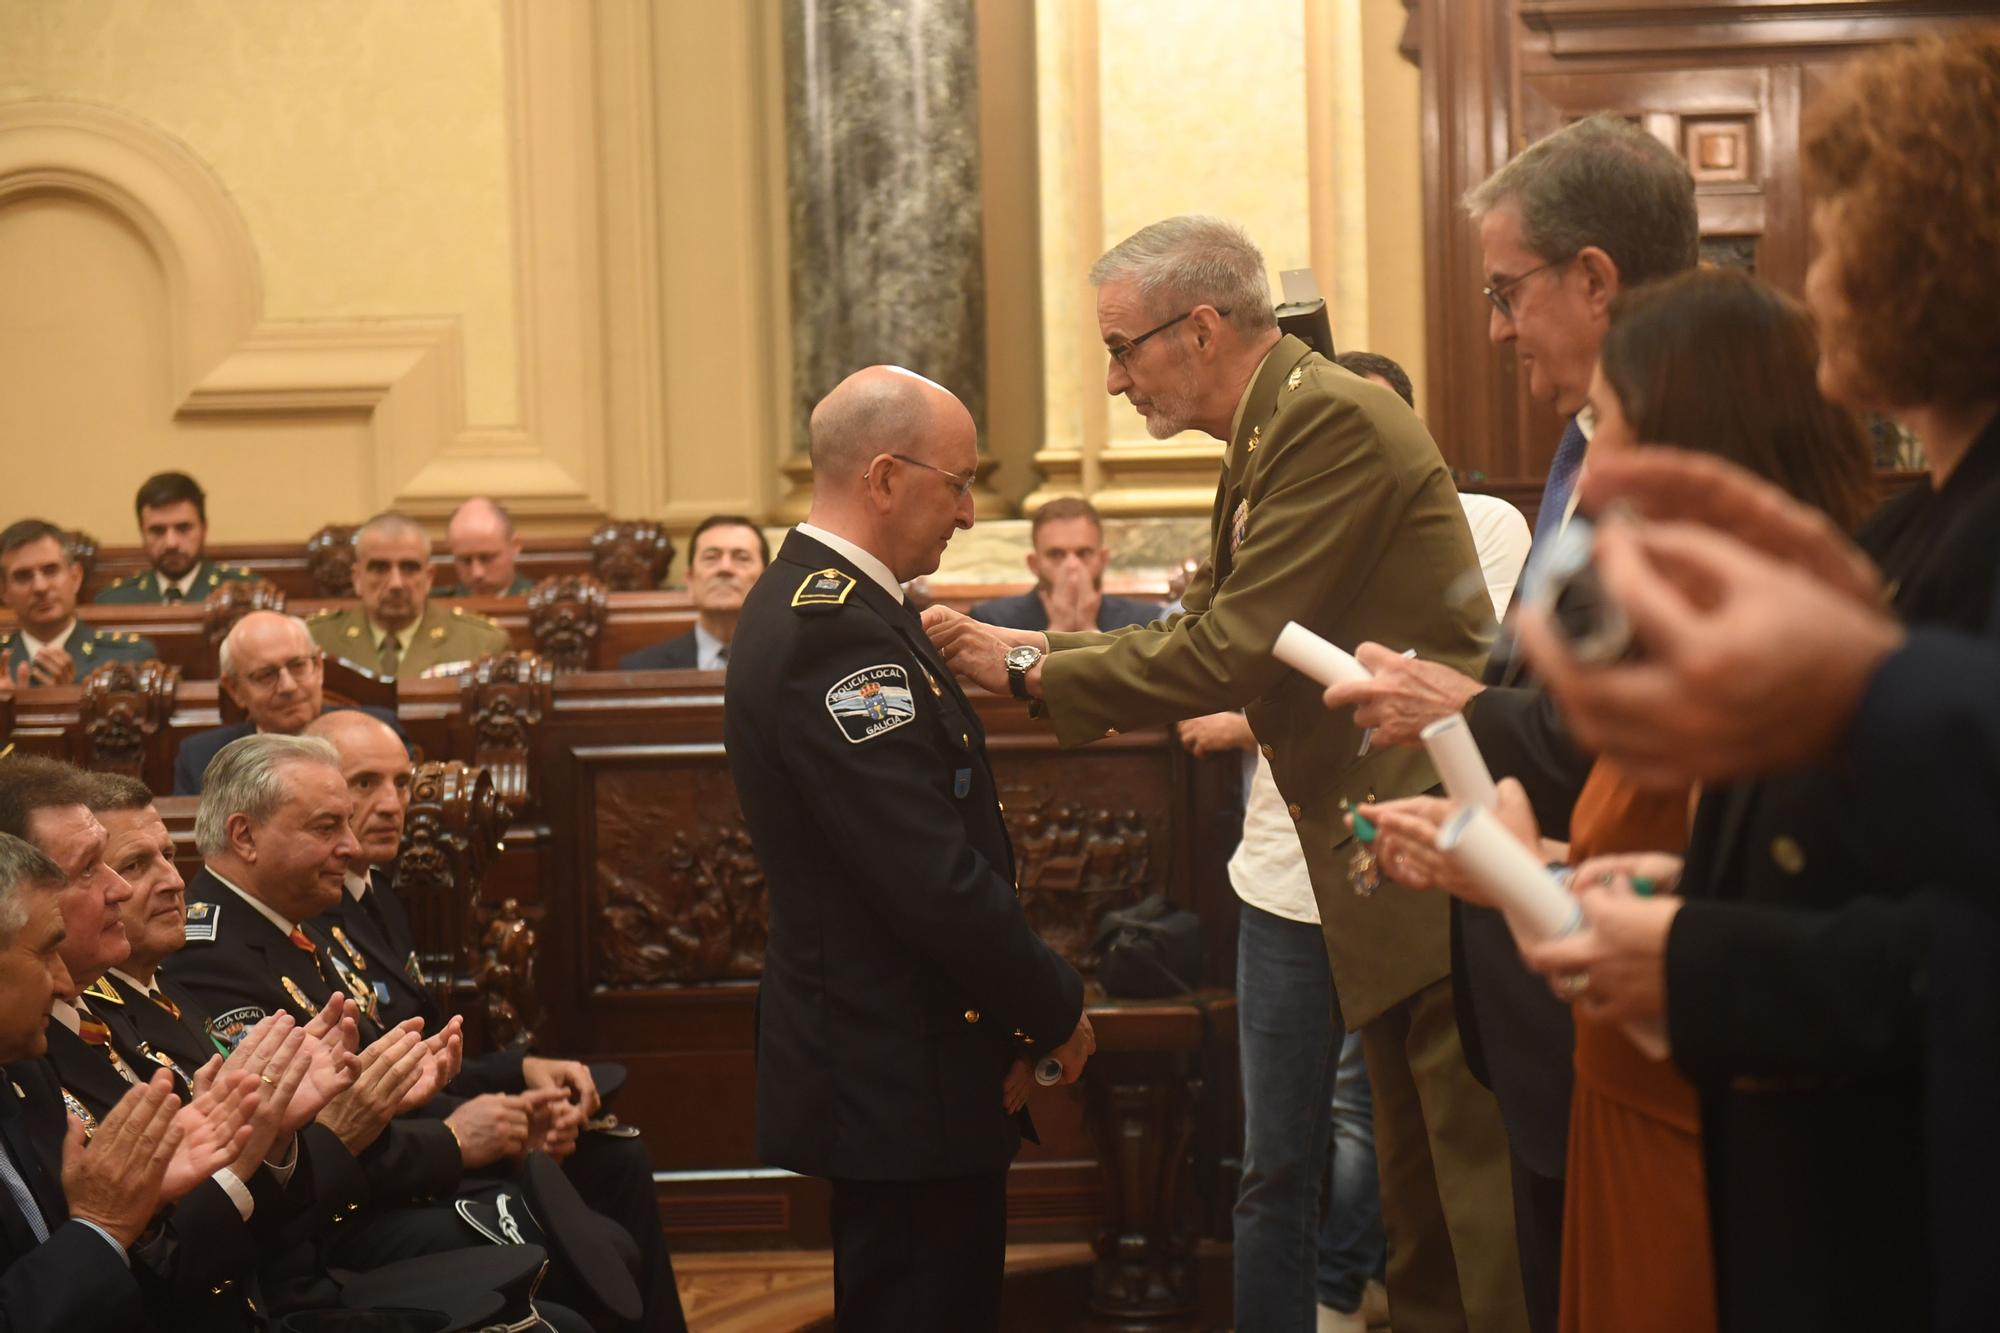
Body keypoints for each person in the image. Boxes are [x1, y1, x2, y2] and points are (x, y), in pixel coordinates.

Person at [926, 217, 1526, 1333]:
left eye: (1121, 349)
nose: (1112, 382)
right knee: (1421, 1215)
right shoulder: (1275, 426)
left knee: (1468, 1216)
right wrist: (1027, 655)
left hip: (1439, 853)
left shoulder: (1329, 422)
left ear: (1198, 329)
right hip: (1386, 854)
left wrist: (1022, 667)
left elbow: (1227, 650)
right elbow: (1214, 624)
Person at [1509, 31, 2000, 1330]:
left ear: (1937, 253)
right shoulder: (1907, 535)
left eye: (1839, 238)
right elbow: (1874, 856)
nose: (1818, 283)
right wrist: (1686, 891)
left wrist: (1699, 953)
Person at [1362, 267, 1875, 1333]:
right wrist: (1511, 861)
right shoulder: (1692, 631)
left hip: (1691, 1129)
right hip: (1617, 1105)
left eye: (1617, 433)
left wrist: (1512, 869)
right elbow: (1675, 886)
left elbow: (1769, 945)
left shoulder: (1788, 653)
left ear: (1704, 446)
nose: (1588, 489)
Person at [1314, 118, 1698, 1329]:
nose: (1492, 326)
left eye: (1505, 290)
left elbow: (1652, 735)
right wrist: (1459, 770)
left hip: (1637, 984)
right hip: (1540, 989)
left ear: (1592, 278)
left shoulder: (1684, 469)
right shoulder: (1578, 450)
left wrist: (1469, 707)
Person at [724, 365, 1092, 1331]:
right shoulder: (835, 633)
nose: (971, 512)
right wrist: (1056, 1005)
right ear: (885, 476)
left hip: (911, 1056)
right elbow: (929, 877)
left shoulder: (854, 607)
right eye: (958, 483)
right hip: (900, 1065)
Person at [303, 707, 690, 1333]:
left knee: (617, 1153)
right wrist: (490, 1128)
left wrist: (523, 1073)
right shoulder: (312, 909)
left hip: (428, 1132)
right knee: (575, 1232)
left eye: (402, 783)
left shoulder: (376, 893)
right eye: (363, 783)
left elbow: (423, 1058)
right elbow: (362, 1099)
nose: (391, 804)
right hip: (376, 1186)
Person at [0, 831, 227, 1331]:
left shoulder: (20, 1070)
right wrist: (102, 1226)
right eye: (43, 956)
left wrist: (143, 1208)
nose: (63, 984)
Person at [172, 610, 406, 795]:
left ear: (318, 666)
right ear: (235, 689)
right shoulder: (202, 760)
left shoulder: (380, 732)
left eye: (297, 666)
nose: (288, 686)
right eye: (266, 675)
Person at [307, 512, 510, 679]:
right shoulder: (318, 640)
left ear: (429, 578)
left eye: (409, 568)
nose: (396, 583)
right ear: (357, 578)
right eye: (380, 568)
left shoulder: (480, 644)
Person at [968, 497, 1164, 633]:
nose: (1072, 566)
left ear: (1103, 559)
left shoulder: (1145, 622)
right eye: (1056, 554)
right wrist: (1057, 633)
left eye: (1083, 553)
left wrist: (1089, 630)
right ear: (1034, 564)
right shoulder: (993, 623)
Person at [0, 519, 158, 686]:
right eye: (23, 576)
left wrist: (70, 695)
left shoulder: (128, 657)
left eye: (50, 570)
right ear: (4, 592)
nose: (40, 587)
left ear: (75, 578)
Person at [618, 514, 769, 669]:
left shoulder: (792, 665)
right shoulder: (642, 669)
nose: (725, 568)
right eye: (711, 557)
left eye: (741, 558)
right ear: (690, 581)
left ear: (767, 581)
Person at [94, 471, 255, 604]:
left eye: (183, 528)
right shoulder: (115, 601)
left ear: (204, 528)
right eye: (157, 531)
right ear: (142, 532)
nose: (171, 543)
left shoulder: (245, 592)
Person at [435, 497, 536, 598]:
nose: (477, 573)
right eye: (465, 561)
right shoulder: (438, 605)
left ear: (515, 546)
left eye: (487, 558)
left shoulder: (539, 600)